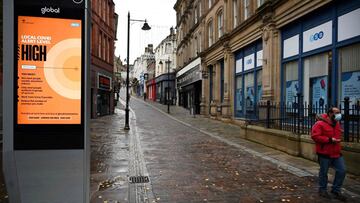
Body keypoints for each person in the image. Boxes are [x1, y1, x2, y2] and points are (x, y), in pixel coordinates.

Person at [311, 107, 347, 201]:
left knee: (342, 170)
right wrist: (329, 140)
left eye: (339, 112)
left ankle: (336, 190)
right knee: (324, 172)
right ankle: (322, 190)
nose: (339, 114)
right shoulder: (319, 123)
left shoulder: (337, 123)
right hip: (324, 153)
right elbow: (315, 136)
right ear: (330, 114)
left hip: (336, 152)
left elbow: (338, 133)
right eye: (337, 112)